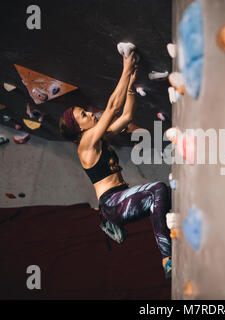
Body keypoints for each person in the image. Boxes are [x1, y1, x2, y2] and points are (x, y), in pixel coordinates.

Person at [59, 52, 172, 279]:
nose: (90, 113)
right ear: (78, 128)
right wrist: (126, 69)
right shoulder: (86, 145)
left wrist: (130, 87)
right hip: (112, 204)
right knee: (158, 189)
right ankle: (167, 258)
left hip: (119, 200)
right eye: (84, 114)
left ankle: (171, 237)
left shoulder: (98, 139)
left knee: (160, 197)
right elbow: (112, 108)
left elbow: (126, 115)